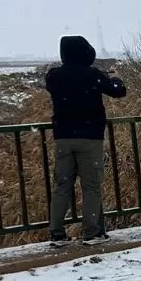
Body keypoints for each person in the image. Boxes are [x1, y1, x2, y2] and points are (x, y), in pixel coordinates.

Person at [44, 35, 127, 245]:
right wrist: (116, 78)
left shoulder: (54, 76)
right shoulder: (92, 75)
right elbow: (118, 92)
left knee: (62, 185)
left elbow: (54, 84)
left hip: (63, 138)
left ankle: (57, 233)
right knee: (91, 186)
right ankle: (92, 232)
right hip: (90, 137)